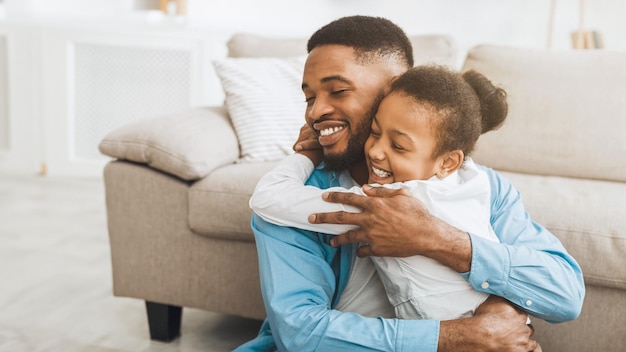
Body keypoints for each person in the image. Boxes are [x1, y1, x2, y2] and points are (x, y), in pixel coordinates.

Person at [236, 15, 584, 352]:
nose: (315, 112)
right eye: (310, 98)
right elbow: (301, 336)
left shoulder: (477, 187)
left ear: (396, 87)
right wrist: (462, 338)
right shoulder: (300, 199)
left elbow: (565, 294)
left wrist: (438, 239)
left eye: (338, 91)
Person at [250, 65, 509, 321]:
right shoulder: (474, 180)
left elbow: (268, 197)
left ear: (447, 162)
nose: (375, 151)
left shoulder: (392, 204)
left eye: (398, 146)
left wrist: (306, 154)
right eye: (374, 132)